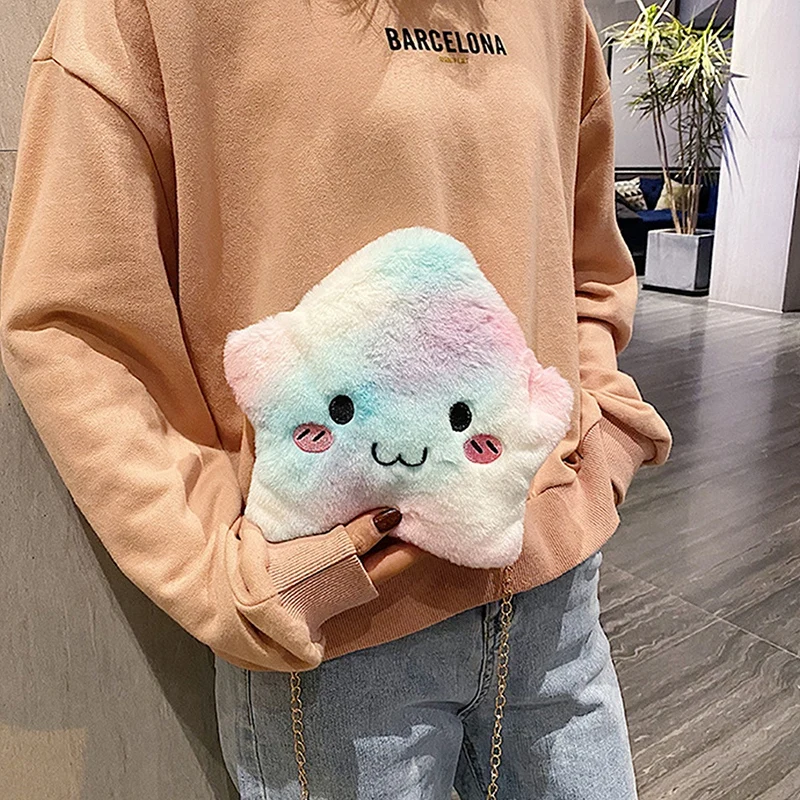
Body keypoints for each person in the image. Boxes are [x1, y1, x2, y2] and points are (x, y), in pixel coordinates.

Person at [0, 0, 673, 797]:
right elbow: (75, 324)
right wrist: (232, 578)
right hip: (342, 643)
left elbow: (586, 261)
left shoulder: (553, 13)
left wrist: (604, 432)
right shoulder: (142, 14)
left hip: (553, 596)